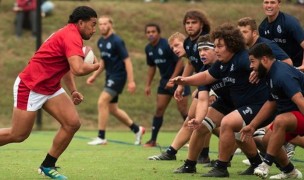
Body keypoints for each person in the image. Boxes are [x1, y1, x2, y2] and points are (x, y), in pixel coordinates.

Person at [0, 6, 99, 179]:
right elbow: (77, 68)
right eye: (93, 24)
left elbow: (67, 67)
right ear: (81, 23)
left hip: (50, 87)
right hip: (30, 86)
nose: (94, 29)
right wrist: (97, 65)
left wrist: (73, 90)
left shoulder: (71, 34)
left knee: (72, 123)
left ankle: (48, 165)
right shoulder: (71, 36)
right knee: (18, 134)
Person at [171, 23, 274, 177]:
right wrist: (185, 80)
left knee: (229, 125)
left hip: (256, 103)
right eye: (214, 47)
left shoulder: (242, 59)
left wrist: (259, 72)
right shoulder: (219, 64)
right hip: (230, 101)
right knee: (202, 127)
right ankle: (189, 165)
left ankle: (221, 167)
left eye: (218, 47)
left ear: (232, 45)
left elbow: (269, 65)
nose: (216, 50)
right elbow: (205, 79)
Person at [148, 34, 223, 164]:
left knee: (222, 126)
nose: (175, 49)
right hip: (208, 87)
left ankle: (220, 154)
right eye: (172, 48)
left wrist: (209, 91)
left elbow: (210, 74)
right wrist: (185, 84)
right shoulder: (194, 54)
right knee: (199, 121)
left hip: (224, 93)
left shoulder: (202, 50)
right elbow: (191, 64)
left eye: (177, 45)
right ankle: (181, 153)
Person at [241, 43, 303, 179]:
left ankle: (266, 164)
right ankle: (290, 172)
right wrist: (252, 125)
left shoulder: (281, 74)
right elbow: (271, 102)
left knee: (280, 120)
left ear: (264, 59)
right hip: (295, 115)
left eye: (252, 61)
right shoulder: (270, 74)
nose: (251, 66)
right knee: (267, 140)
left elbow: (300, 100)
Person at [86, 15, 145, 146]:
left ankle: (101, 137)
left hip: (118, 77)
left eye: (105, 24)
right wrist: (94, 76)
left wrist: (131, 81)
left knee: (102, 102)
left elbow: (127, 61)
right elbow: (103, 62)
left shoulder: (117, 41)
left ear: (111, 24)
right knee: (112, 109)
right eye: (100, 24)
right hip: (109, 77)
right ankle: (137, 129)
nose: (102, 26)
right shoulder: (101, 41)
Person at [143, 23, 190, 147]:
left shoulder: (167, 45)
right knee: (159, 109)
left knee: (184, 110)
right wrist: (148, 84)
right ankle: (153, 140)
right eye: (148, 32)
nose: (151, 34)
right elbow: (152, 67)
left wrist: (173, 78)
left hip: (180, 80)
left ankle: (192, 138)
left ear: (158, 33)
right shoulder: (148, 49)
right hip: (164, 82)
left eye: (153, 31)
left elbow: (181, 61)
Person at [259, 0, 304, 70]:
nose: (269, 6)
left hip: (296, 68)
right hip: (279, 69)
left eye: (272, 2)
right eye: (266, 2)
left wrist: (303, 66)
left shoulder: (290, 23)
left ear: (279, 4)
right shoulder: (262, 27)